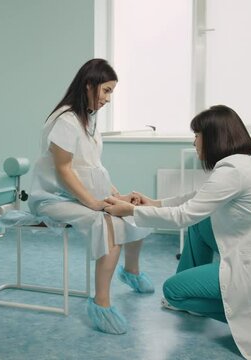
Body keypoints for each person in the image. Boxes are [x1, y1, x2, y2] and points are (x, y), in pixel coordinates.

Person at [104, 105, 251, 358]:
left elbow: (183, 215)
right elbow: (198, 199)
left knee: (173, 291)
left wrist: (130, 211)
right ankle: (191, 288)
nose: (194, 141)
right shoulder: (241, 164)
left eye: (197, 135)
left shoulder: (233, 171)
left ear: (214, 137)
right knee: (202, 221)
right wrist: (154, 202)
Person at [28, 59, 154, 335]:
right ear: (89, 85)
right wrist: (93, 204)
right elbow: (63, 171)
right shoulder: (66, 121)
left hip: (78, 195)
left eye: (111, 92)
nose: (109, 98)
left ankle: (130, 272)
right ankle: (101, 304)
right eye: (106, 91)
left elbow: (92, 166)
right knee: (106, 223)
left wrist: (116, 195)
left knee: (133, 212)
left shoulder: (89, 118)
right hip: (53, 197)